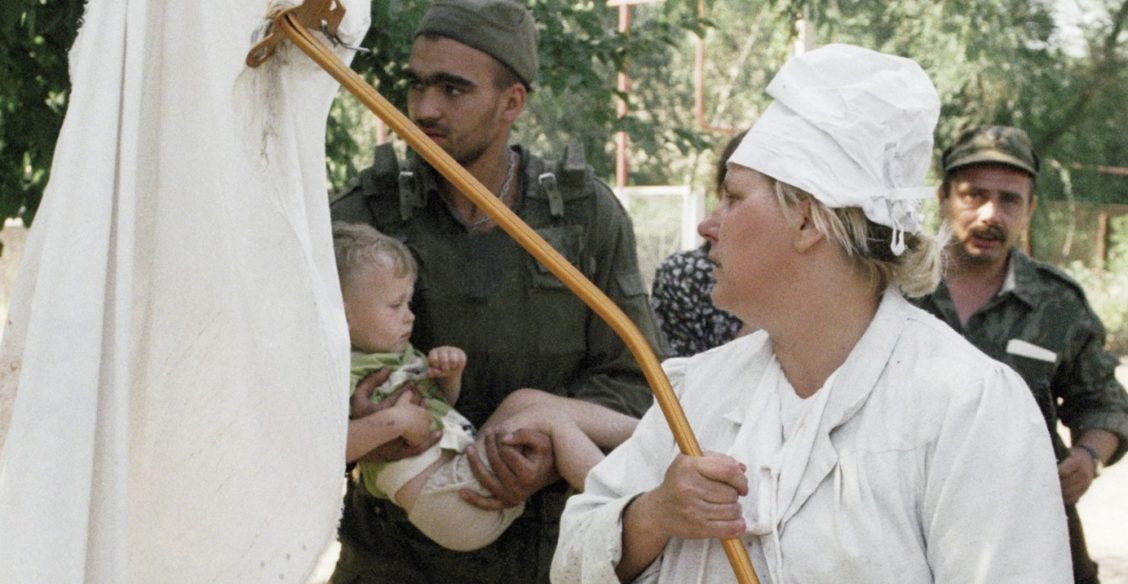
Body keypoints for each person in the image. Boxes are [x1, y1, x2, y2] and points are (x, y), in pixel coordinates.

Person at [552, 44, 1071, 583]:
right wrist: (655, 513)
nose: (709, 226)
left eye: (732, 198)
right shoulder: (699, 389)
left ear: (806, 221)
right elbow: (572, 560)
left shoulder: (966, 406)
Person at [327, 0, 664, 581]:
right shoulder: (362, 221)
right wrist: (350, 421)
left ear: (512, 102)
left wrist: (549, 452)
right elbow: (277, 380)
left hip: (546, 555)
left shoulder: (585, 220)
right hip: (394, 559)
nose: (425, 108)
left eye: (453, 90)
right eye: (417, 85)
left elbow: (638, 382)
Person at [332, 222, 640, 552]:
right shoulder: (338, 369)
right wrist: (395, 422)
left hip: (462, 471)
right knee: (545, 417)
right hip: (445, 502)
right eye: (396, 306)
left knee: (525, 401)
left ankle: (653, 433)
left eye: (409, 303)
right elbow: (327, 447)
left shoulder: (395, 354)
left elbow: (439, 409)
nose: (410, 317)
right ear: (346, 316)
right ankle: (629, 512)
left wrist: (448, 377)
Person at [913, 125, 1128, 584]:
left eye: (1010, 199)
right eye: (974, 195)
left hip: (1026, 527)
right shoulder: (897, 289)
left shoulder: (1056, 303)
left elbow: (1104, 402)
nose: (991, 213)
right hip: (906, 522)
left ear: (1029, 208)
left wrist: (1087, 457)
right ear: (943, 198)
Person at [651, 131, 748, 357]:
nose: (705, 227)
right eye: (725, 197)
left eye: (734, 199)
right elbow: (676, 389)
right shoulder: (683, 277)